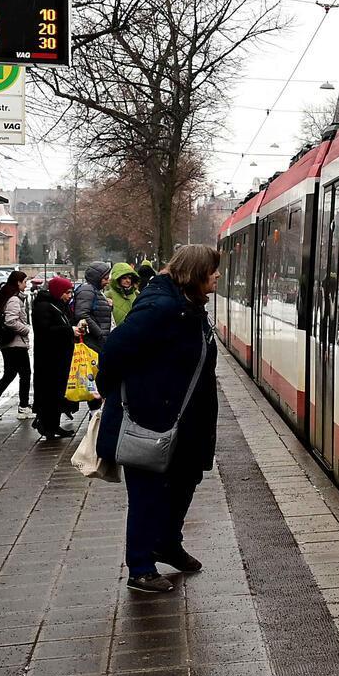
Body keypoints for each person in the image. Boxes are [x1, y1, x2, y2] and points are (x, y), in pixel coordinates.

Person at [99, 244, 220, 595]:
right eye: (212, 270)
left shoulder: (188, 305)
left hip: (186, 419)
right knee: (147, 492)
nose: (217, 276)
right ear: (195, 273)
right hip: (155, 418)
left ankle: (167, 543)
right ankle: (140, 566)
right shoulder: (161, 307)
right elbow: (115, 350)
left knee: (185, 481)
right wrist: (115, 394)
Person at [31, 276, 78, 441]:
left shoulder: (59, 306)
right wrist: (69, 330)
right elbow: (45, 331)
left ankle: (53, 424)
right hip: (49, 358)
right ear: (58, 291)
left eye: (71, 292)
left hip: (60, 357)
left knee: (58, 391)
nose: (69, 295)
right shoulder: (43, 307)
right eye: (66, 292)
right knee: (49, 392)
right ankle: (46, 425)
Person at [0, 270, 33, 419]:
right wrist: (25, 329)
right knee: (25, 374)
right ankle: (23, 407)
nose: (26, 284)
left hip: (8, 342)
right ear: (18, 283)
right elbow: (10, 320)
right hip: (16, 343)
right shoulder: (14, 300)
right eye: (24, 281)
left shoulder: (4, 296)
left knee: (10, 374)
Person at [72, 261, 116, 346]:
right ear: (97, 278)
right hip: (94, 342)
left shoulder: (94, 290)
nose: (107, 282)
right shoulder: (87, 290)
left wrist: (108, 305)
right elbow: (82, 314)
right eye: (105, 279)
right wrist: (99, 334)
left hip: (99, 340)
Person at [107, 261, 142, 326]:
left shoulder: (137, 294)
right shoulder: (109, 295)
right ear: (117, 279)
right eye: (124, 278)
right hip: (115, 332)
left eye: (130, 278)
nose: (128, 280)